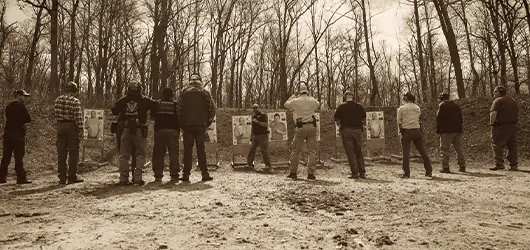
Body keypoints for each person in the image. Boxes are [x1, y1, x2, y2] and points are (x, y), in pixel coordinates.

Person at [112, 81, 154, 185]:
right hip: (140, 129)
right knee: (140, 154)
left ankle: (123, 179)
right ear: (140, 89)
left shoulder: (123, 100)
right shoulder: (144, 100)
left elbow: (114, 110)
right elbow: (156, 105)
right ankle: (137, 178)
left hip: (125, 130)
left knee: (124, 156)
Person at [176, 73, 216, 182]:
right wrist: (207, 122)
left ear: (190, 81)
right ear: (200, 81)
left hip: (187, 126)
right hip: (201, 125)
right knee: (201, 150)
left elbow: (178, 109)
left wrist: (181, 123)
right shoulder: (205, 92)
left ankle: (186, 174)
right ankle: (204, 174)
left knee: (187, 150)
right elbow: (212, 108)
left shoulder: (183, 92)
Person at [284, 83, 320, 180]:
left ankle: (293, 172)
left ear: (299, 91)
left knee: (295, 150)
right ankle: (311, 174)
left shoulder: (295, 101)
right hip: (312, 127)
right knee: (312, 151)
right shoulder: (312, 100)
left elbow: (286, 105)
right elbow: (318, 104)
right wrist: (310, 96)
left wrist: (292, 96)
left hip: (300, 127)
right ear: (307, 91)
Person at [53, 82, 84, 184]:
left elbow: (54, 114)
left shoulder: (57, 100)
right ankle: (72, 176)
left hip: (60, 125)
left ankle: (62, 177)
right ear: (75, 91)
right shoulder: (75, 101)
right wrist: (81, 130)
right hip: (71, 126)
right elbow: (78, 118)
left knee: (61, 153)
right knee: (73, 152)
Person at [397, 92, 432, 179]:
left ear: (406, 99)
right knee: (423, 152)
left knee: (406, 153)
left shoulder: (402, 108)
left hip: (406, 131)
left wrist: (402, 130)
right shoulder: (417, 108)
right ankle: (428, 171)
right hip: (416, 130)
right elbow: (419, 119)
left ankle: (406, 173)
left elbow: (399, 122)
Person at [0, 89, 32, 184]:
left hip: (8, 132)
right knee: (19, 156)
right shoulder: (22, 106)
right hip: (18, 133)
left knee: (6, 156)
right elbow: (28, 119)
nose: (25, 98)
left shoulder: (8, 106)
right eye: (24, 96)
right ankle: (21, 177)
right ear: (19, 96)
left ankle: (2, 177)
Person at [333, 90, 366, 179]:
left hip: (346, 130)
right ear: (353, 97)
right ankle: (362, 172)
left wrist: (339, 125)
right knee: (358, 151)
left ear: (345, 97)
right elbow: (363, 118)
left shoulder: (341, 107)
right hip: (358, 130)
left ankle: (355, 173)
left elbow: (335, 118)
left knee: (350, 152)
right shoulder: (359, 106)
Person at [151, 87, 180, 182]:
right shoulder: (176, 104)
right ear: (172, 95)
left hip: (160, 131)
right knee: (174, 154)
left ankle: (158, 175)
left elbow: (152, 117)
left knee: (159, 153)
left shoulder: (157, 104)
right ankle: (174, 175)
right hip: (173, 131)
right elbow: (180, 117)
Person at [489, 86, 518, 171]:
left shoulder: (498, 101)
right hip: (513, 126)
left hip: (500, 126)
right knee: (512, 146)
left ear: (499, 92)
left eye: (495, 91)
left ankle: (499, 164)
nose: (494, 93)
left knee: (497, 144)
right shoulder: (513, 100)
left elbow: (493, 113)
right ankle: (513, 165)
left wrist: (492, 124)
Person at [436, 93, 466, 173]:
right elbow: (460, 118)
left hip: (446, 131)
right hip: (457, 130)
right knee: (459, 149)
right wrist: (460, 128)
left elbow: (439, 118)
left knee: (445, 150)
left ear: (441, 98)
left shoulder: (441, 105)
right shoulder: (456, 105)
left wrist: (438, 129)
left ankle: (445, 167)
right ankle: (462, 166)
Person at [247, 103, 272, 172]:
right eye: (254, 108)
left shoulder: (263, 115)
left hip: (262, 136)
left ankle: (268, 165)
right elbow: (252, 127)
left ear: (258, 108)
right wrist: (251, 136)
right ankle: (249, 164)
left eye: (256, 107)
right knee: (252, 149)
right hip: (255, 136)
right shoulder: (253, 116)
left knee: (264, 150)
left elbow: (266, 125)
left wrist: (257, 122)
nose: (255, 109)